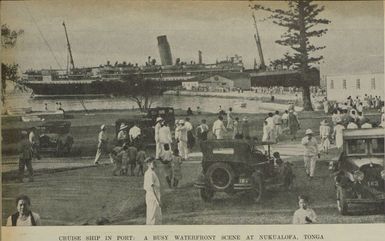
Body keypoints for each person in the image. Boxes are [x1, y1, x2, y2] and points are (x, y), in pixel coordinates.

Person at [143, 157, 162, 225]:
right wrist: (157, 200)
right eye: (153, 163)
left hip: (153, 195)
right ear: (148, 164)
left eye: (154, 162)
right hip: (152, 196)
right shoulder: (149, 173)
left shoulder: (151, 172)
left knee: (156, 215)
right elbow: (152, 188)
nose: (155, 164)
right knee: (152, 215)